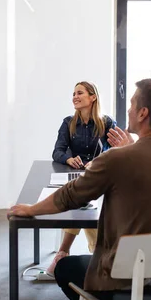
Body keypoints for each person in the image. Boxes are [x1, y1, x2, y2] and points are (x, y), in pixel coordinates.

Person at [9, 79, 151, 300]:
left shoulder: (116, 159)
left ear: (143, 113)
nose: (128, 110)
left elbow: (69, 196)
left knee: (64, 267)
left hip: (124, 286)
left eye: (131, 104)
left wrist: (31, 208)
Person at [49, 81, 116, 276]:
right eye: (73, 94)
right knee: (83, 201)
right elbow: (57, 151)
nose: (74, 97)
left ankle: (63, 252)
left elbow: (115, 151)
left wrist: (98, 162)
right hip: (77, 177)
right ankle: (97, 254)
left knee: (82, 201)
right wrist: (68, 158)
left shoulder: (107, 123)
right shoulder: (68, 122)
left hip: (101, 177)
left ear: (92, 97)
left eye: (80, 93)